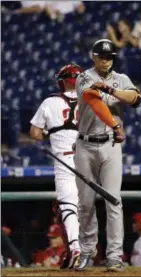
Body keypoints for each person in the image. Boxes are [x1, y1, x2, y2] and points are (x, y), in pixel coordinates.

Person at [74, 39, 141, 272]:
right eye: (102, 56)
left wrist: (112, 90)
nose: (106, 60)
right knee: (84, 203)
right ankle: (87, 252)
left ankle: (114, 255)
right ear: (93, 57)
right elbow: (93, 101)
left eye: (110, 56)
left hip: (112, 147)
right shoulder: (84, 77)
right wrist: (114, 124)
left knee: (114, 200)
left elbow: (136, 99)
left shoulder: (121, 78)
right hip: (85, 145)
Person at [30, 63, 84, 269]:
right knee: (84, 207)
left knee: (68, 205)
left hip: (65, 160)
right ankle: (87, 249)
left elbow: (35, 134)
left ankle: (75, 249)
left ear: (62, 81)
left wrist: (47, 133)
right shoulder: (89, 99)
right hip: (89, 158)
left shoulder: (50, 101)